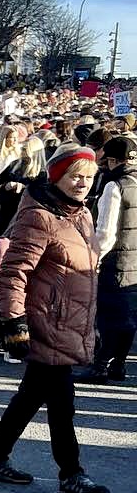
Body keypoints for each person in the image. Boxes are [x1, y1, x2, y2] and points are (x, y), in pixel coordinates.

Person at [0, 144, 107, 493]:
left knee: (31, 396)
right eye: (75, 175)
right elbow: (13, 273)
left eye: (88, 177)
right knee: (62, 403)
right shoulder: (39, 216)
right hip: (45, 321)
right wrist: (14, 322)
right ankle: (71, 473)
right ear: (58, 176)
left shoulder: (80, 214)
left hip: (67, 320)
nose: (82, 183)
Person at [79, 134, 137, 385]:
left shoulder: (115, 186)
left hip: (116, 260)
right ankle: (119, 365)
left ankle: (101, 365)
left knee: (109, 316)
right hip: (135, 259)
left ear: (112, 160)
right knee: (128, 317)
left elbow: (105, 232)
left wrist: (93, 258)